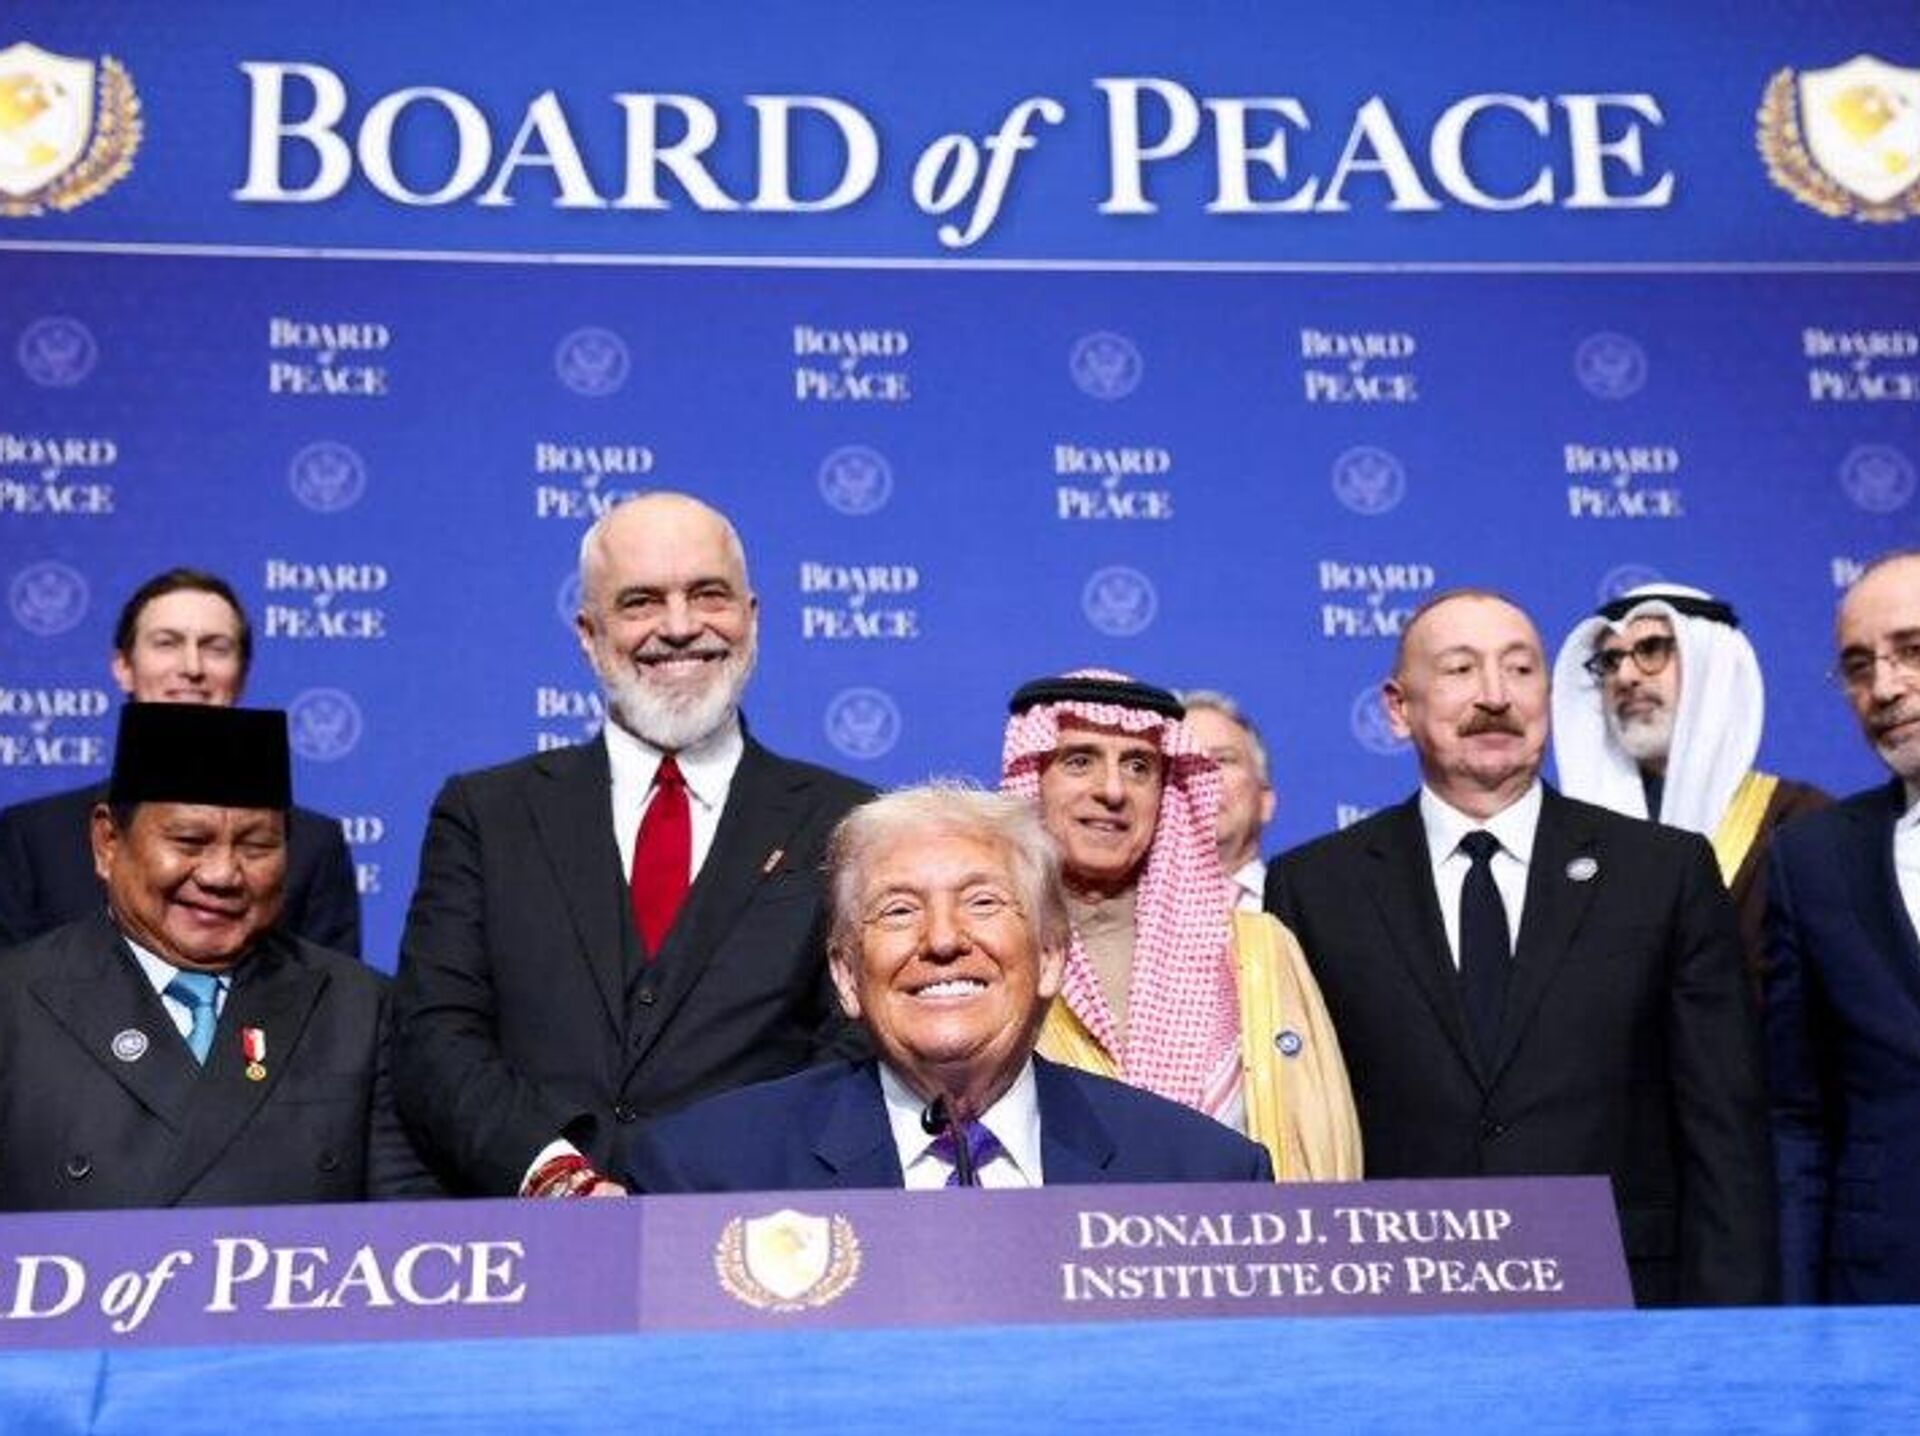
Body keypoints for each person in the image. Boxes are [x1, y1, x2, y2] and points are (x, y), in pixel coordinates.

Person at [1265, 589, 1774, 1306]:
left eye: (1520, 669)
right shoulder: (1316, 887)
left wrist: (1729, 1335)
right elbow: (1300, 1128)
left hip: (1624, 1309)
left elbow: (1725, 1131)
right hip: (1397, 1310)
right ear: (1398, 708)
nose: (1495, 696)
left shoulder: (1664, 872)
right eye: (1460, 670)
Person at [393, 492, 873, 1197]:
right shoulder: (486, 815)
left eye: (708, 595)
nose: (679, 627)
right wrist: (555, 1176)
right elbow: (436, 1037)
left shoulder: (848, 820)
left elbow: (857, 1038)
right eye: (641, 602)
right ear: (589, 634)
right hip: (526, 1232)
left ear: (752, 618)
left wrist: (717, 1182)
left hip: (756, 1228)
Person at [623, 784, 1273, 1191]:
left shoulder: (1199, 1178)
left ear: (1051, 956)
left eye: (982, 902)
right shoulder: (707, 1174)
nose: (941, 940)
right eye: (899, 910)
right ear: (847, 976)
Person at [0, 703, 433, 1209]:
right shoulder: (13, 1003)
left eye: (257, 846)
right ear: (108, 841)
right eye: (189, 841)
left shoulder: (361, 1009)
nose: (222, 874)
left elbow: (408, 1227)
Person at [1000, 670, 1360, 1182]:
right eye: (1079, 761)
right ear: (1032, 780)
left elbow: (1325, 1139)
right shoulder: (993, 954)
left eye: (1139, 767)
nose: (1113, 790)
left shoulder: (1257, 949)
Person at [0, 568, 360, 955]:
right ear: (123, 667)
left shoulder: (313, 843)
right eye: (166, 643)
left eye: (215, 647)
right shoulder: (33, 836)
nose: (191, 667)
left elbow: (329, 986)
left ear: (242, 673)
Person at [1767, 550, 1920, 1304]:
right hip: (1884, 1291)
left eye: (1912, 651)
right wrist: (1796, 1326)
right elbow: (1797, 1119)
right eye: (1859, 667)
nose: (1884, 688)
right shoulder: (1813, 858)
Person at [1552, 583, 1830, 987]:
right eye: (1610, 660)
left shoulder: (1798, 823)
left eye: (1651, 650)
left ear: (1710, 669)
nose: (1625, 676)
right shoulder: (1566, 840)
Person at [1177, 690, 1277, 912]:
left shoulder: (1307, 909)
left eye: (1223, 759)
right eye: (1184, 761)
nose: (1203, 775)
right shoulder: (1117, 912)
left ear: (1265, 801)